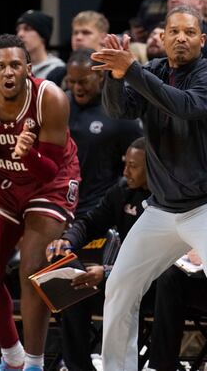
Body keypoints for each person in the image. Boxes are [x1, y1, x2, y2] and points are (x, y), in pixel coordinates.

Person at [93, 4, 207, 371]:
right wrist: (114, 76)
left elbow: (183, 106)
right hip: (162, 209)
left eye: (190, 32)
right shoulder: (153, 71)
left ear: (202, 40)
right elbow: (118, 111)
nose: (181, 38)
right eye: (174, 31)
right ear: (163, 37)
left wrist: (133, 71)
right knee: (121, 286)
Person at [0, 34, 80, 371]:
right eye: (1, 67)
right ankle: (12, 357)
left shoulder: (50, 98)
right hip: (3, 183)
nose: (8, 72)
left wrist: (29, 154)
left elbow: (49, 171)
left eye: (15, 65)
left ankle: (35, 364)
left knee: (32, 270)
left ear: (29, 68)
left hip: (50, 182)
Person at [46, 138, 151, 371]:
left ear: (152, 167)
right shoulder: (122, 190)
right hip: (119, 279)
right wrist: (67, 240)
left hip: (153, 286)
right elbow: (90, 222)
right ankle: (78, 367)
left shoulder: (166, 201)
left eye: (133, 166)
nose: (125, 171)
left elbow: (156, 261)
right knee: (75, 288)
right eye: (125, 164)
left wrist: (106, 273)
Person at [65, 48, 141, 216]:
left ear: (100, 76)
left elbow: (140, 160)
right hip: (60, 204)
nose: (77, 87)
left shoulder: (119, 113)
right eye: (72, 81)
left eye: (83, 81)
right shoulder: (60, 105)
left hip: (98, 208)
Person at [16, 10, 65, 80]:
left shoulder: (58, 70)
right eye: (18, 30)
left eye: (27, 29)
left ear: (43, 36)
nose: (20, 34)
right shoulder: (15, 69)